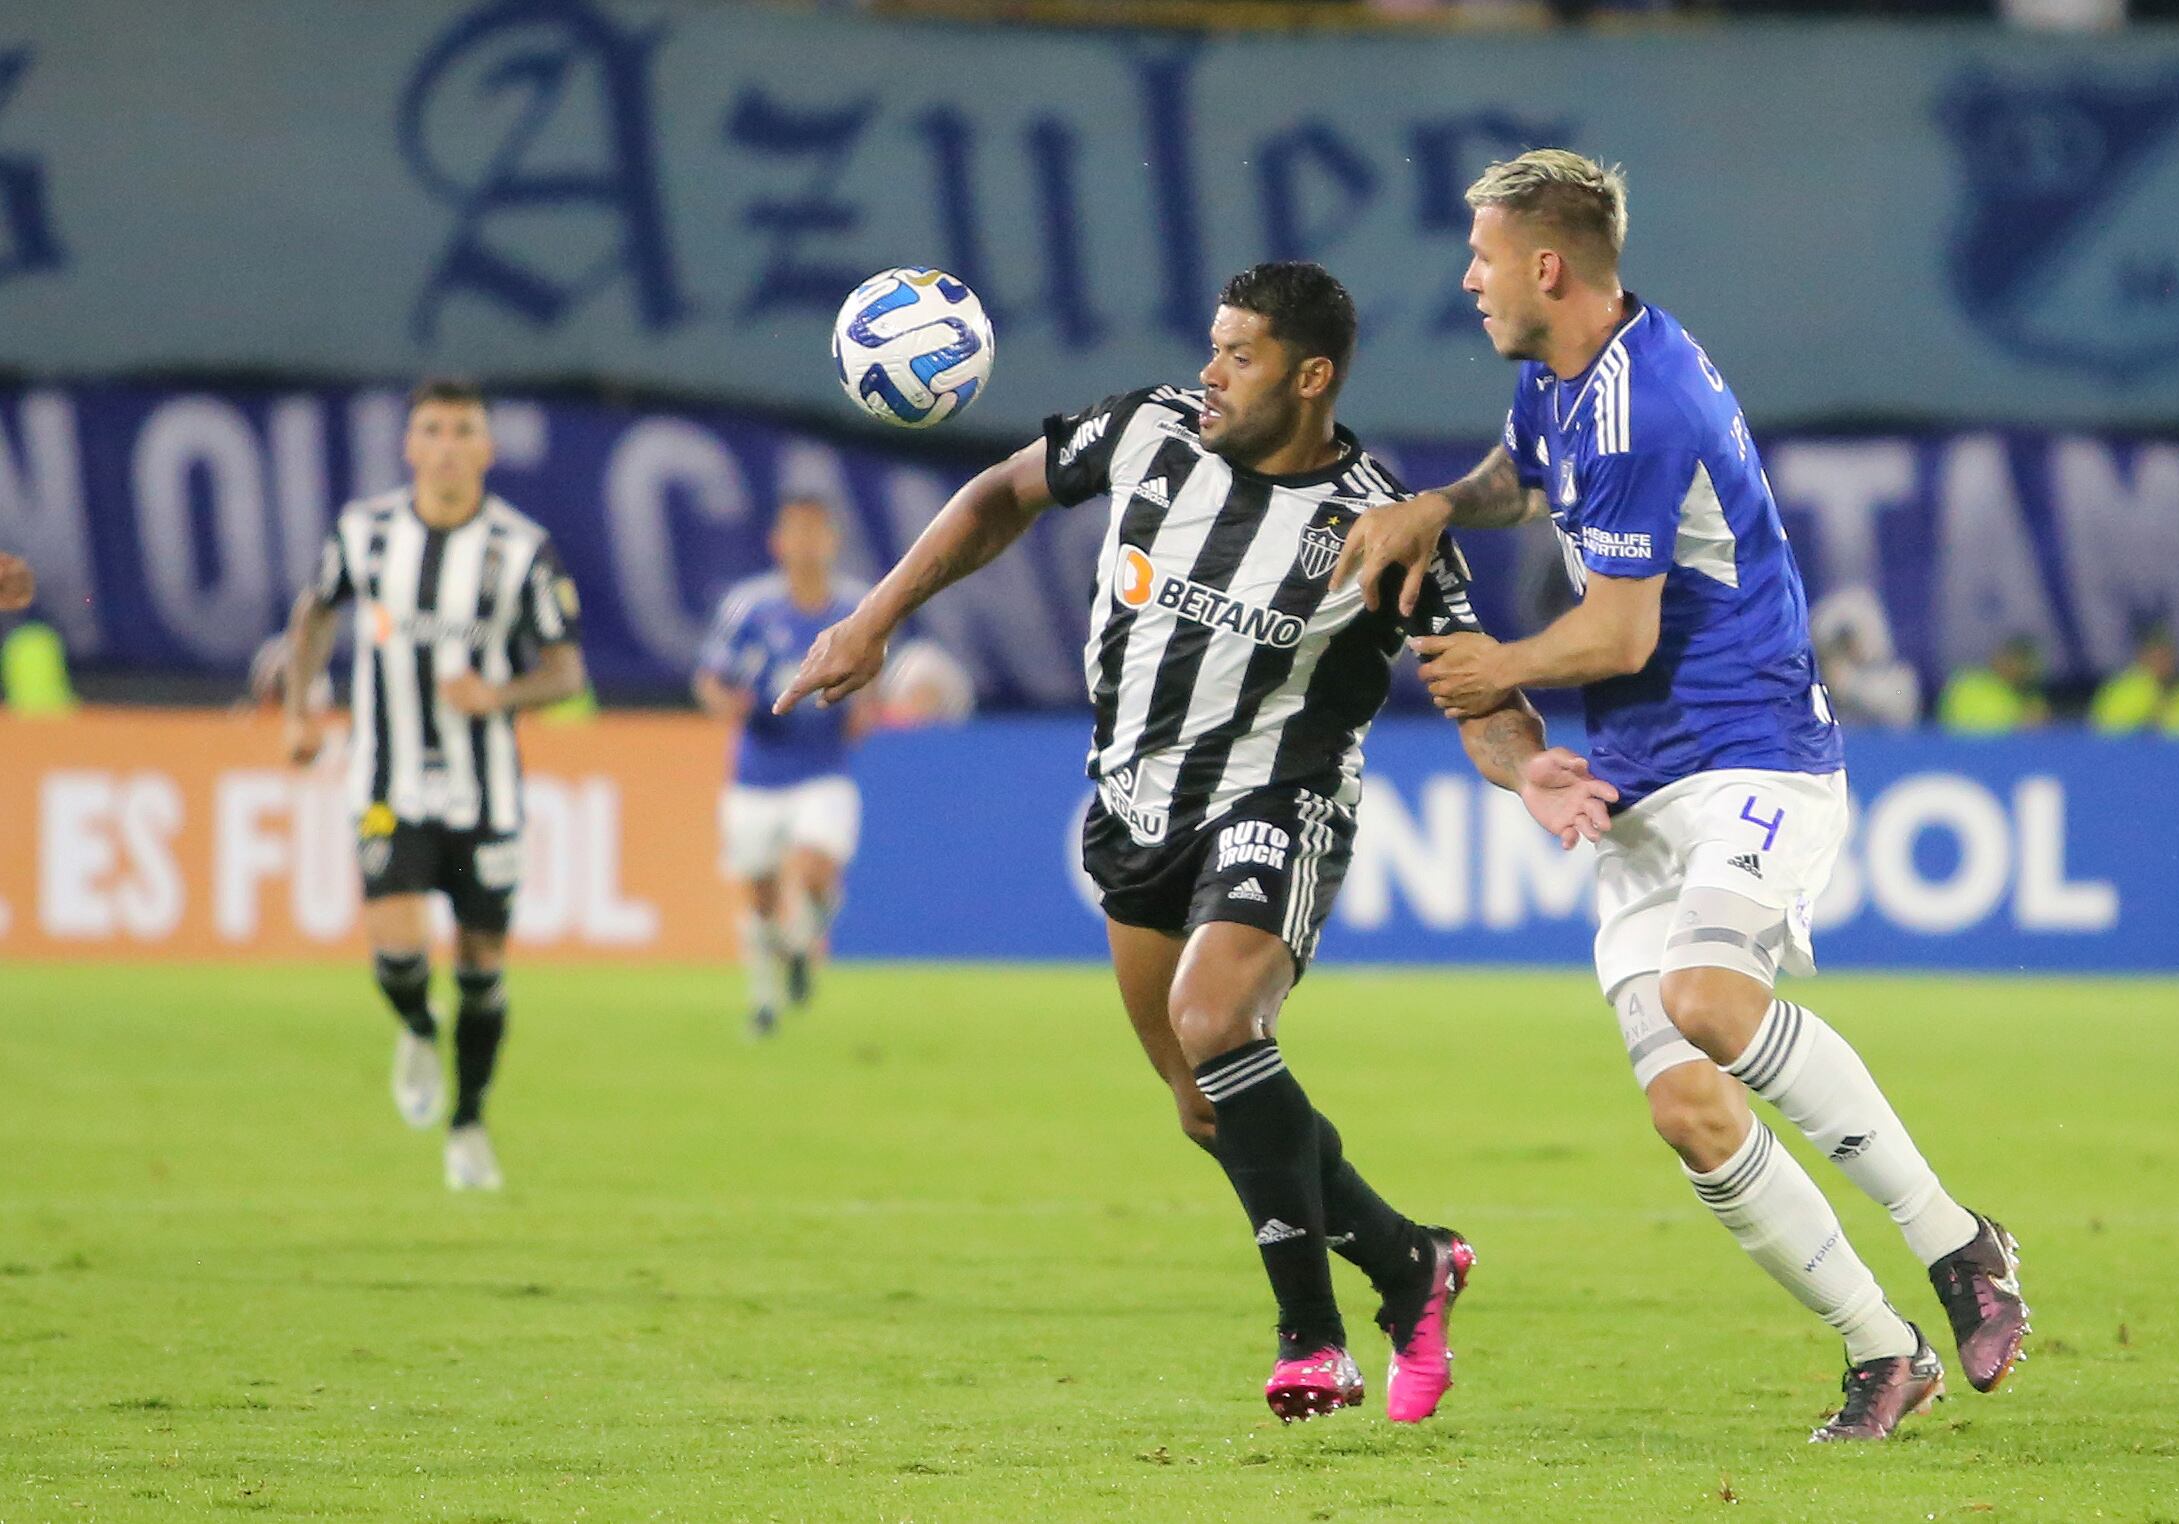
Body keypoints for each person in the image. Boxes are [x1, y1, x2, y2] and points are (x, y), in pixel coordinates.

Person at [775, 261, 1617, 1424]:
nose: (1210, 374)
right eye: (1210, 346)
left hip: (1280, 800)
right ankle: (1409, 1262)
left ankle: (1311, 1340)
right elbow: (997, 496)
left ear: (1311, 376)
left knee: (1217, 1020)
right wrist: (869, 621)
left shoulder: (1372, 525)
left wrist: (1526, 769)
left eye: (1239, 355)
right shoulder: (1145, 433)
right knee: (1204, 1102)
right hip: (1132, 809)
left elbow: (1474, 691)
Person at [1335, 150, 2028, 1442]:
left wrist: (1497, 667)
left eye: (1482, 257)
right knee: (1685, 1107)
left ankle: (1957, 1243)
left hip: (1752, 756)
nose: (1467, 278)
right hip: (1643, 787)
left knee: (1709, 1005)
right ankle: (1883, 1352)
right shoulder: (1567, 378)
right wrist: (1440, 506)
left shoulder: (1642, 403)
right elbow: (1521, 476)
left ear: (1549, 265)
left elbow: (1618, 637)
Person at [278, 379, 588, 1192]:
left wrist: (501, 695)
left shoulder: (522, 549)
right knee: (398, 944)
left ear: (486, 448)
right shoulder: (366, 532)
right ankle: (418, 1026)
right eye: (432, 430)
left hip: (485, 792)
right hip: (387, 778)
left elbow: (565, 671)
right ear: (410, 446)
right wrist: (300, 711)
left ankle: (469, 1123)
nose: (447, 445)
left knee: (484, 963)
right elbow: (314, 614)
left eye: (463, 431)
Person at [694, 498, 874, 1037]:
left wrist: (864, 709)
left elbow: (875, 670)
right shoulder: (748, 607)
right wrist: (733, 708)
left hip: (823, 769)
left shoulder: (857, 606)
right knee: (761, 896)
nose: (806, 543)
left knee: (817, 872)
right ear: (778, 543)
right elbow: (710, 677)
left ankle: (800, 947)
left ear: (833, 542)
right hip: (756, 773)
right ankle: (767, 995)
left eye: (816, 531)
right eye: (796, 532)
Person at [2088, 621, 2179, 736]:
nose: (2163, 661)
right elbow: (2103, 737)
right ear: (2142, 656)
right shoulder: (2120, 691)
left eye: (2167, 654)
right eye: (2156, 654)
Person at [1810, 586, 1921, 729]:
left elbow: (1898, 706)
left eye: (1849, 640)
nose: (1849, 648)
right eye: (1841, 644)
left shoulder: (1899, 680)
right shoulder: (1811, 686)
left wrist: (1848, 686)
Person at [1936, 634, 2050, 734]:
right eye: (2013, 659)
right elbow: (1961, 724)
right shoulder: (1968, 683)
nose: (2017, 667)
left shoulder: (2031, 698)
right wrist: (2016, 725)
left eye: (2024, 663)